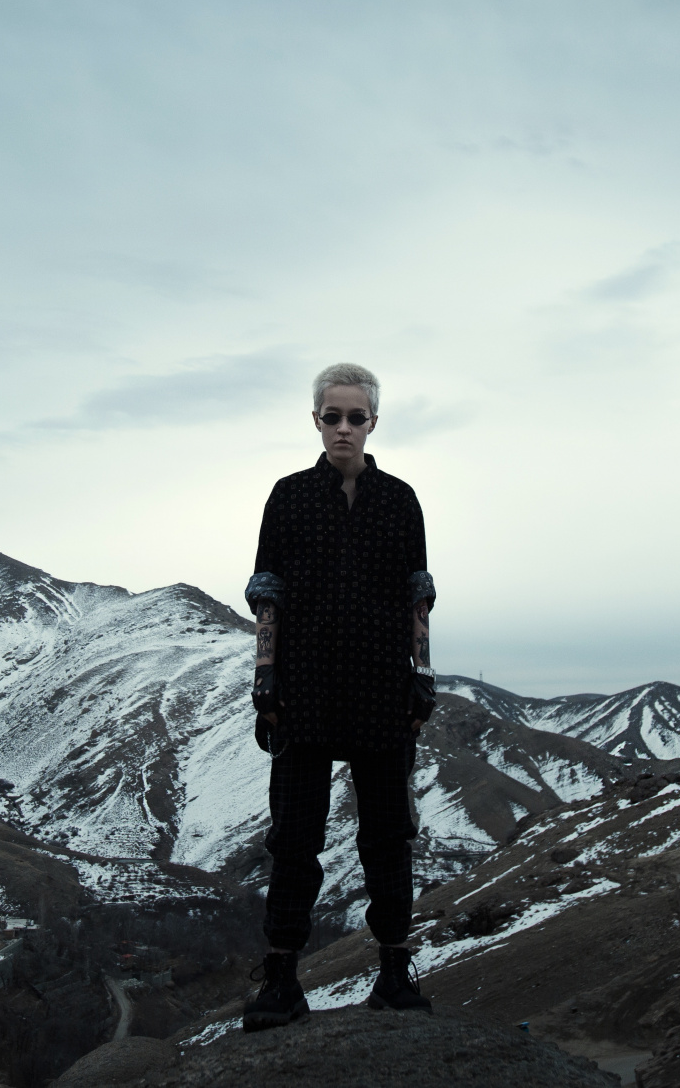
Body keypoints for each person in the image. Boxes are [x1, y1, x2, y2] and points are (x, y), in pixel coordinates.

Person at [242, 362, 436, 1033]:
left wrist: (424, 674)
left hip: (382, 691)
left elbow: (418, 593)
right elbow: (267, 589)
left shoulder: (401, 500)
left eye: (357, 417)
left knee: (388, 840)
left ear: (373, 422)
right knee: (294, 840)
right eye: (333, 416)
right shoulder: (288, 498)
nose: (345, 428)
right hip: (303, 692)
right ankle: (280, 981)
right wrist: (266, 678)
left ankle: (393, 973)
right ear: (317, 420)